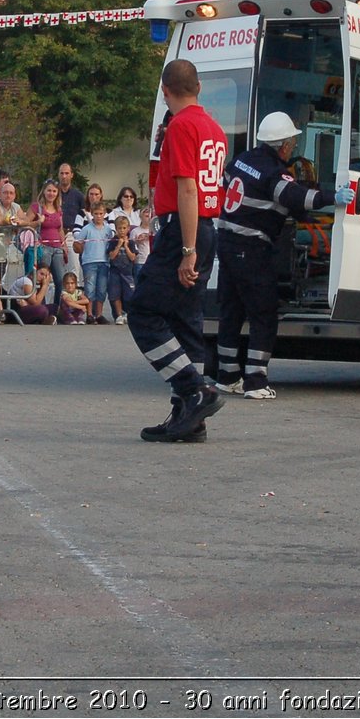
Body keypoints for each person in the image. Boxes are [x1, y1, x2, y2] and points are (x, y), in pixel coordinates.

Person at [205, 112, 341, 401]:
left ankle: (227, 375)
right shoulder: (274, 173)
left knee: (232, 310)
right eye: (292, 141)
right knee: (264, 313)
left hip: (227, 242)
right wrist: (333, 197)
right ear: (282, 145)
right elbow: (296, 197)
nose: (293, 146)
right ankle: (255, 379)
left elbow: (239, 188)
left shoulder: (242, 160)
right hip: (250, 248)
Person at [128, 58, 228, 442]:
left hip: (184, 230)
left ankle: (193, 390)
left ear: (165, 90)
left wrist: (186, 250)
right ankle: (189, 418)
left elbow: (189, 189)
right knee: (187, 321)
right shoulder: (214, 128)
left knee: (144, 313)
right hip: (206, 228)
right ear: (199, 87)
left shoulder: (182, 126)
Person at [74, 210, 113, 320]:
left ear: (104, 214)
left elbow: (111, 243)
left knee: (101, 289)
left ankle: (99, 314)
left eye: (101, 214)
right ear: (93, 215)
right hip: (89, 262)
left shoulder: (108, 229)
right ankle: (90, 314)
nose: (99, 216)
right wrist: (80, 249)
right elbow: (78, 242)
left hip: (104, 262)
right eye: (96, 214)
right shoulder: (86, 229)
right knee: (90, 288)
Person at [106, 214, 139, 325]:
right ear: (116, 229)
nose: (122, 230)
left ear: (128, 228)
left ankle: (128, 314)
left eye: (124, 228)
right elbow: (111, 256)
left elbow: (133, 257)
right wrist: (119, 245)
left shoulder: (131, 242)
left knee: (129, 294)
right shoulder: (113, 241)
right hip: (115, 271)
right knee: (115, 294)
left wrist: (126, 246)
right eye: (119, 228)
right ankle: (119, 315)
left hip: (128, 272)